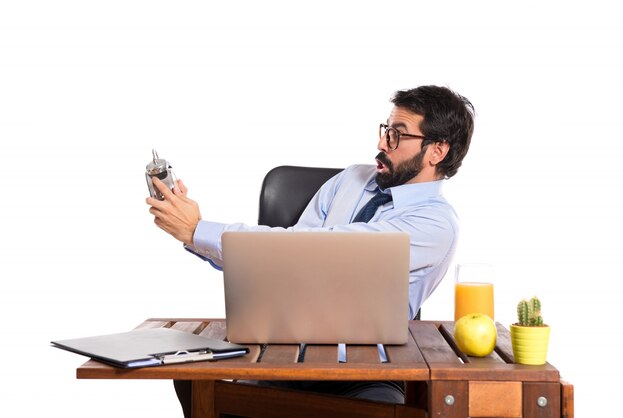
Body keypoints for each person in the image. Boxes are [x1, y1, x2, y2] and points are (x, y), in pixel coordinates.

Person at [147, 85, 475, 416]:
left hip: (363, 374)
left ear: (437, 151)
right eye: (384, 130)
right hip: (284, 358)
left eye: (396, 135)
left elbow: (324, 250)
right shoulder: (352, 179)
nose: (380, 144)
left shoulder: (436, 224)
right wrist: (193, 234)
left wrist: (197, 230)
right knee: (190, 376)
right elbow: (293, 254)